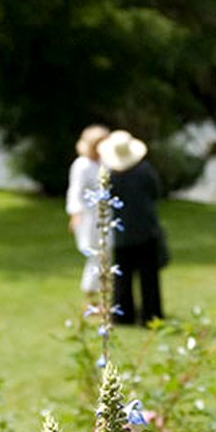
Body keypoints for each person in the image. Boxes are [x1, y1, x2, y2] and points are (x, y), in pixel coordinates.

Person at [99, 130, 166, 326]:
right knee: (149, 277)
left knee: (122, 276)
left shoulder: (110, 176)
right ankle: (151, 315)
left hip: (121, 233)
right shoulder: (145, 170)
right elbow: (156, 192)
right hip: (146, 229)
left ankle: (122, 315)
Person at [65, 124, 110, 294]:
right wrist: (75, 214)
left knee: (105, 253)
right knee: (95, 254)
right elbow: (75, 191)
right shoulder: (82, 164)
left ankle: (101, 293)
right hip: (89, 216)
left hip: (105, 214)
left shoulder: (104, 162)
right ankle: (92, 292)